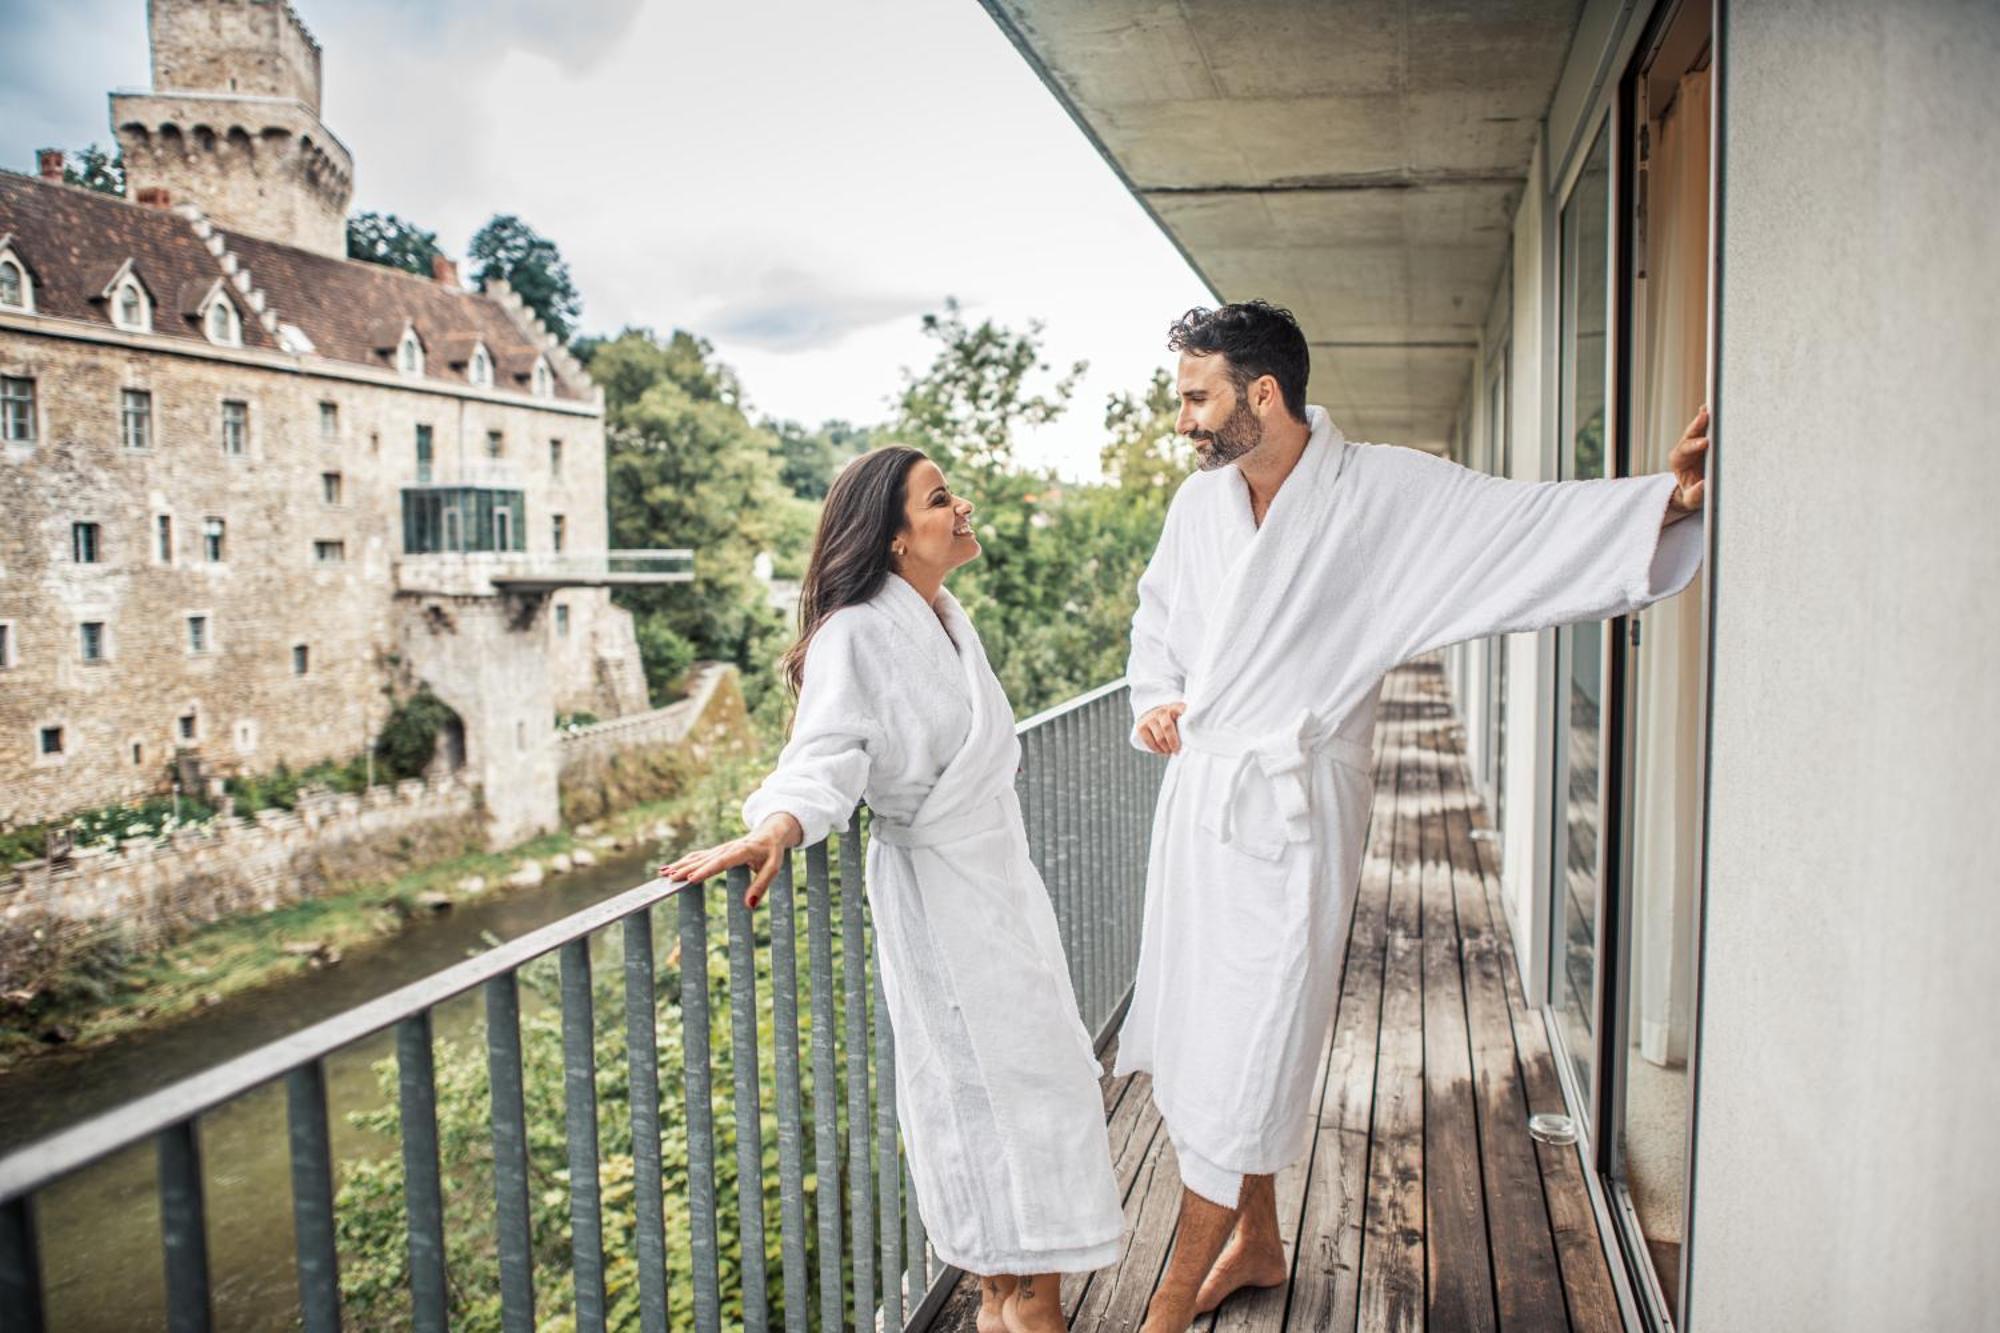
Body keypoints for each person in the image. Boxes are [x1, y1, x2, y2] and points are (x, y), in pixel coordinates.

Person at [1118, 301, 1708, 1330]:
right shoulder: (1195, 508)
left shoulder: (1379, 491)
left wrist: (1658, 503)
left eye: (1194, 396)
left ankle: (1165, 1302)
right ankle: (1255, 1237)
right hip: (1203, 807)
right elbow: (1157, 626)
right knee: (1198, 1025)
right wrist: (1156, 702)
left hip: (1293, 811)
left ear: (1261, 393)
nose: (1182, 421)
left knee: (1251, 1034)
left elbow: (1514, 529)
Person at [662, 446, 1122, 1333]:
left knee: (1044, 1078)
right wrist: (777, 825)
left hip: (998, 885)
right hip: (940, 901)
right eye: (940, 499)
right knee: (981, 1095)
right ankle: (1017, 1301)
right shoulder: (858, 633)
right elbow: (826, 752)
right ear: (895, 536)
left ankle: (1018, 1299)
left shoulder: (944, 616)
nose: (962, 508)